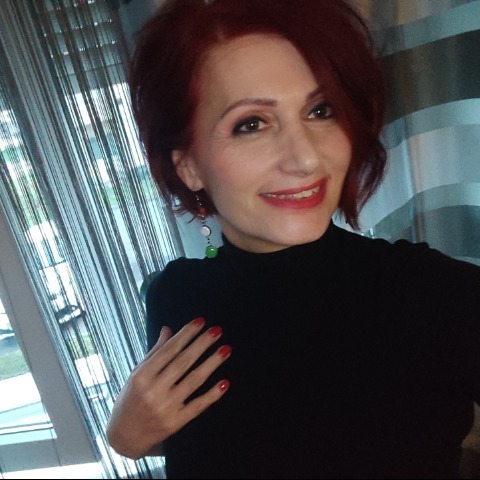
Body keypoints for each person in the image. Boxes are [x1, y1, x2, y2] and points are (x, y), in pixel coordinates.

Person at [106, 0, 480, 478]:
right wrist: (129, 437)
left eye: (320, 111)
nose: (305, 159)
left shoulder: (431, 293)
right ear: (189, 166)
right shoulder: (176, 294)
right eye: (251, 124)